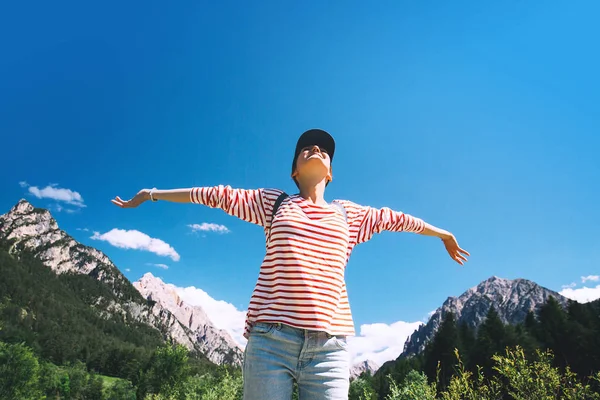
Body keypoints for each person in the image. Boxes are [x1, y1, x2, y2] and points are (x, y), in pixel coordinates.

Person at [112, 129, 470, 400]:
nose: (317, 151)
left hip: (329, 349)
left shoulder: (351, 215)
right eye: (307, 149)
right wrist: (152, 194)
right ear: (294, 171)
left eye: (325, 151)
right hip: (271, 342)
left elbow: (399, 219)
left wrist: (443, 233)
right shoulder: (274, 204)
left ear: (330, 173)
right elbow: (214, 195)